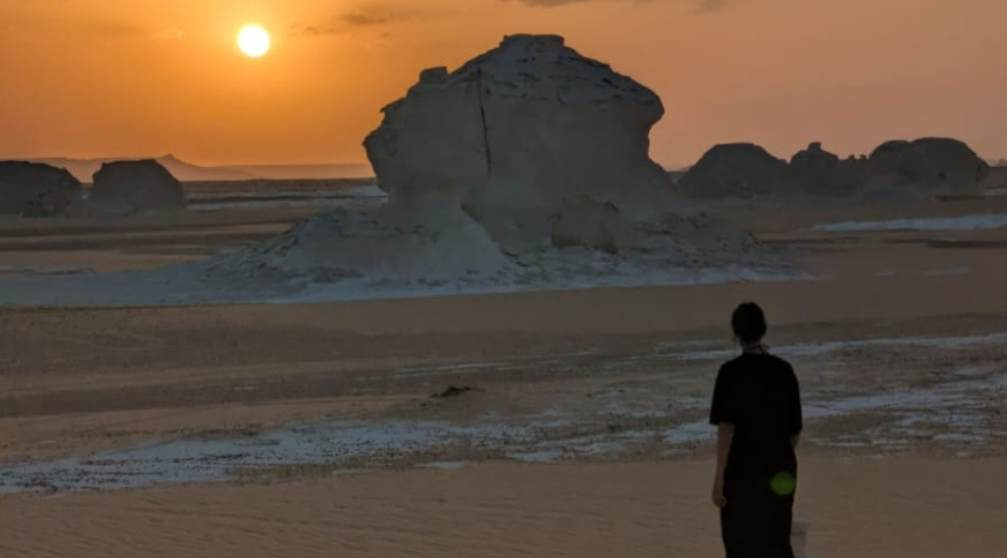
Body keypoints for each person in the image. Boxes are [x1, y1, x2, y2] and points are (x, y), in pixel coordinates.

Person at [710, 302, 802, 558]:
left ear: (735, 333)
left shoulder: (729, 373)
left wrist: (719, 477)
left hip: (741, 475)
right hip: (781, 473)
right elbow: (795, 430)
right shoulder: (784, 371)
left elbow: (726, 428)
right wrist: (780, 456)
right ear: (763, 330)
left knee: (740, 545)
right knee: (777, 541)